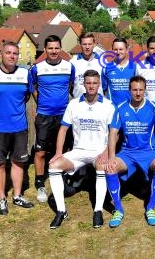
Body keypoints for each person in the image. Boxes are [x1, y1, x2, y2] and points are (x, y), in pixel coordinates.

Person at [48, 70, 116, 229]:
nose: (91, 86)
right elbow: (63, 129)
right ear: (83, 84)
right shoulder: (73, 104)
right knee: (54, 166)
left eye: (94, 83)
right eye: (88, 83)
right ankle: (61, 211)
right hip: (78, 152)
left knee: (101, 167)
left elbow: (114, 134)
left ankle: (98, 210)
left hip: (99, 151)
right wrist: (59, 152)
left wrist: (106, 152)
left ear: (99, 84)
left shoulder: (108, 105)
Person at [102, 76, 155, 227]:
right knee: (110, 168)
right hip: (127, 153)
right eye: (134, 90)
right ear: (129, 90)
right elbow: (113, 133)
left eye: (141, 90)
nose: (138, 93)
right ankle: (118, 209)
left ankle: (150, 207)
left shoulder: (154, 106)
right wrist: (111, 157)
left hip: (149, 153)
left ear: (145, 90)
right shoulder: (121, 108)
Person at [0, 41, 35, 215]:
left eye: (15, 54)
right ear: (0, 55)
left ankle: (17, 196)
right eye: (8, 53)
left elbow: (26, 96)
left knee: (18, 162)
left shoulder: (25, 74)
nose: (12, 56)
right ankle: (2, 199)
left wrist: (13, 111)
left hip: (19, 128)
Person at [31, 34, 75, 203]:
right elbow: (33, 88)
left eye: (57, 48)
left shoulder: (69, 67)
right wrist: (42, 103)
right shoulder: (37, 68)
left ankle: (63, 181)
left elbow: (70, 86)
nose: (54, 51)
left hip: (63, 116)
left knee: (63, 150)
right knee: (41, 151)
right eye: (50, 48)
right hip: (44, 116)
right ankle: (40, 183)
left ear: (61, 49)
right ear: (45, 49)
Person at [101, 37, 138, 107]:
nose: (118, 52)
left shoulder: (134, 67)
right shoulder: (106, 68)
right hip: (112, 108)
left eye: (121, 49)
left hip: (130, 108)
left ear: (126, 50)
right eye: (115, 49)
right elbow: (103, 89)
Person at [70, 32, 103, 99]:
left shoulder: (102, 62)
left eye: (90, 44)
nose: (87, 47)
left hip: (99, 105)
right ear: (80, 44)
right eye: (84, 44)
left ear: (94, 44)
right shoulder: (73, 62)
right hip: (79, 104)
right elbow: (69, 85)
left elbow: (105, 86)